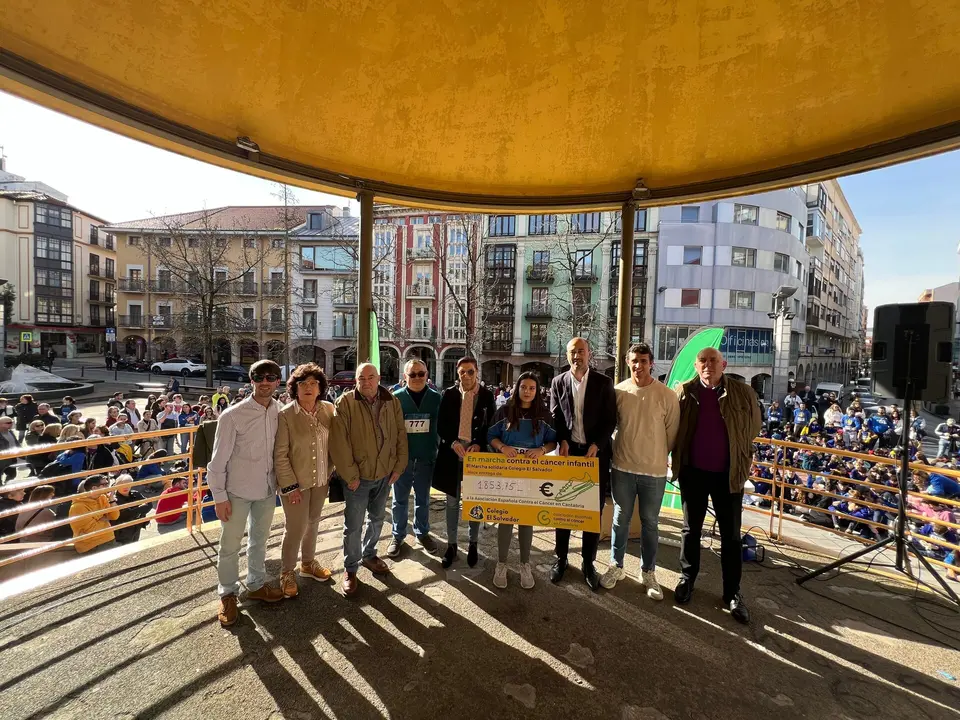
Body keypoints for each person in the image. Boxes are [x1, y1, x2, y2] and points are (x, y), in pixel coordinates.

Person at [672, 347, 762, 624]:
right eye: (703, 361)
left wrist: (742, 456)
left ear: (723, 364)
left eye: (713, 360)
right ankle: (687, 579)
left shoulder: (743, 392)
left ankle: (732, 593)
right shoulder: (685, 392)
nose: (708, 365)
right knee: (691, 530)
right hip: (693, 472)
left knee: (731, 537)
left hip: (729, 474)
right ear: (696, 366)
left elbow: (754, 427)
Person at [206, 359, 285, 627]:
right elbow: (217, 462)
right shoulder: (232, 415)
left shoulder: (280, 411)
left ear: (277, 381)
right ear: (251, 381)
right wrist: (219, 497)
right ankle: (227, 593)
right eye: (259, 377)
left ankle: (255, 584)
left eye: (270, 377)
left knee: (260, 540)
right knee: (230, 545)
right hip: (236, 492)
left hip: (266, 490)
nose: (265, 382)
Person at [601, 343, 680, 598]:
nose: (638, 365)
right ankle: (616, 566)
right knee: (619, 520)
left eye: (643, 360)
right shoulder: (618, 392)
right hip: (622, 467)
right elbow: (612, 426)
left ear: (651, 363)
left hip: (654, 472)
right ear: (627, 362)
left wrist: (654, 455)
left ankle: (648, 573)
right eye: (634, 360)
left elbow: (672, 435)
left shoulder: (666, 395)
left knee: (650, 523)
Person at [330, 363, 408, 596]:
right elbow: (338, 442)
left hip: (384, 474)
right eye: (361, 378)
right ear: (356, 380)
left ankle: (369, 554)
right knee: (353, 526)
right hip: (358, 479)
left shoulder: (392, 401)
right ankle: (350, 568)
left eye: (370, 377)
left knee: (376, 518)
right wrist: (350, 475)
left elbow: (400, 435)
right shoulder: (345, 403)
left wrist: (399, 466)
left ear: (379, 378)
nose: (366, 382)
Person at [548, 337, 617, 590]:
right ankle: (561, 558)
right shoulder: (558, 382)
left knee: (591, 511)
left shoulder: (603, 383)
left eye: (581, 351)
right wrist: (562, 440)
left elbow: (611, 420)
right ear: (567, 355)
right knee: (564, 507)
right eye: (572, 352)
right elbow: (556, 416)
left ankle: (589, 562)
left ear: (590, 354)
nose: (577, 356)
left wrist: (597, 444)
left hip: (594, 454)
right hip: (568, 454)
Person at [487, 372, 557, 589]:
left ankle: (525, 564)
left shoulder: (544, 415)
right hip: (507, 474)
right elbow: (490, 436)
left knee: (527, 519)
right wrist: (502, 447)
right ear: (517, 389)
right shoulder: (504, 411)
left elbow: (553, 442)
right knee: (506, 518)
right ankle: (501, 564)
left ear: (537, 391)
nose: (527, 391)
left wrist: (542, 449)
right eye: (524, 387)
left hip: (532, 476)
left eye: (532, 388)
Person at [274, 363, 336, 598]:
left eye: (313, 383)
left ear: (320, 387)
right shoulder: (286, 415)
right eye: (303, 384)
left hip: (321, 479)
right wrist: (290, 487)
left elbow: (336, 443)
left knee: (313, 522)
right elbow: (280, 455)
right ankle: (286, 572)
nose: (309, 388)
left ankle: (308, 564)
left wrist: (334, 470)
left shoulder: (329, 410)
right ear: (294, 388)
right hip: (295, 485)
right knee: (295, 528)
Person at [432, 356, 495, 570]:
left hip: (476, 458)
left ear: (477, 372)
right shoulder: (448, 394)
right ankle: (452, 545)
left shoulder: (487, 396)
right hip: (453, 456)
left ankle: (474, 543)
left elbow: (492, 426)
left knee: (473, 501)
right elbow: (441, 425)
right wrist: (451, 442)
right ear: (457, 374)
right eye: (462, 373)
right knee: (451, 502)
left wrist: (479, 443)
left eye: (470, 372)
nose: (466, 376)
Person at [388, 359, 443, 558]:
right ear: (405, 377)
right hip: (402, 460)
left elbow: (443, 427)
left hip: (427, 457)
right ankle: (398, 534)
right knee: (399, 501)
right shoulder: (396, 398)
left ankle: (422, 532)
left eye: (421, 373)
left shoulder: (436, 398)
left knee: (424, 500)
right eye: (413, 374)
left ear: (427, 375)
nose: (418, 378)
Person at [68, 475, 121, 553]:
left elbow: (114, 516)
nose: (108, 486)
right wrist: (104, 520)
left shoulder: (102, 498)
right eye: (105, 484)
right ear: (94, 488)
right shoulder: (78, 507)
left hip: (108, 538)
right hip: (92, 546)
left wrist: (111, 500)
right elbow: (90, 530)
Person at [112, 474, 152, 543]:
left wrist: (136, 510)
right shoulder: (115, 500)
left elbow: (149, 504)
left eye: (128, 484)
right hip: (123, 530)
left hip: (137, 525)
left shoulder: (135, 494)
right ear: (116, 486)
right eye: (122, 485)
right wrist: (140, 508)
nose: (125, 487)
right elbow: (127, 514)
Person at [0, 416, 19, 482]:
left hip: (12, 458)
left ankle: (7, 488)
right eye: (8, 423)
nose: (11, 424)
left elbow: (16, 443)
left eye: (12, 422)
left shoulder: (11, 432)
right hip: (2, 459)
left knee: (12, 475)